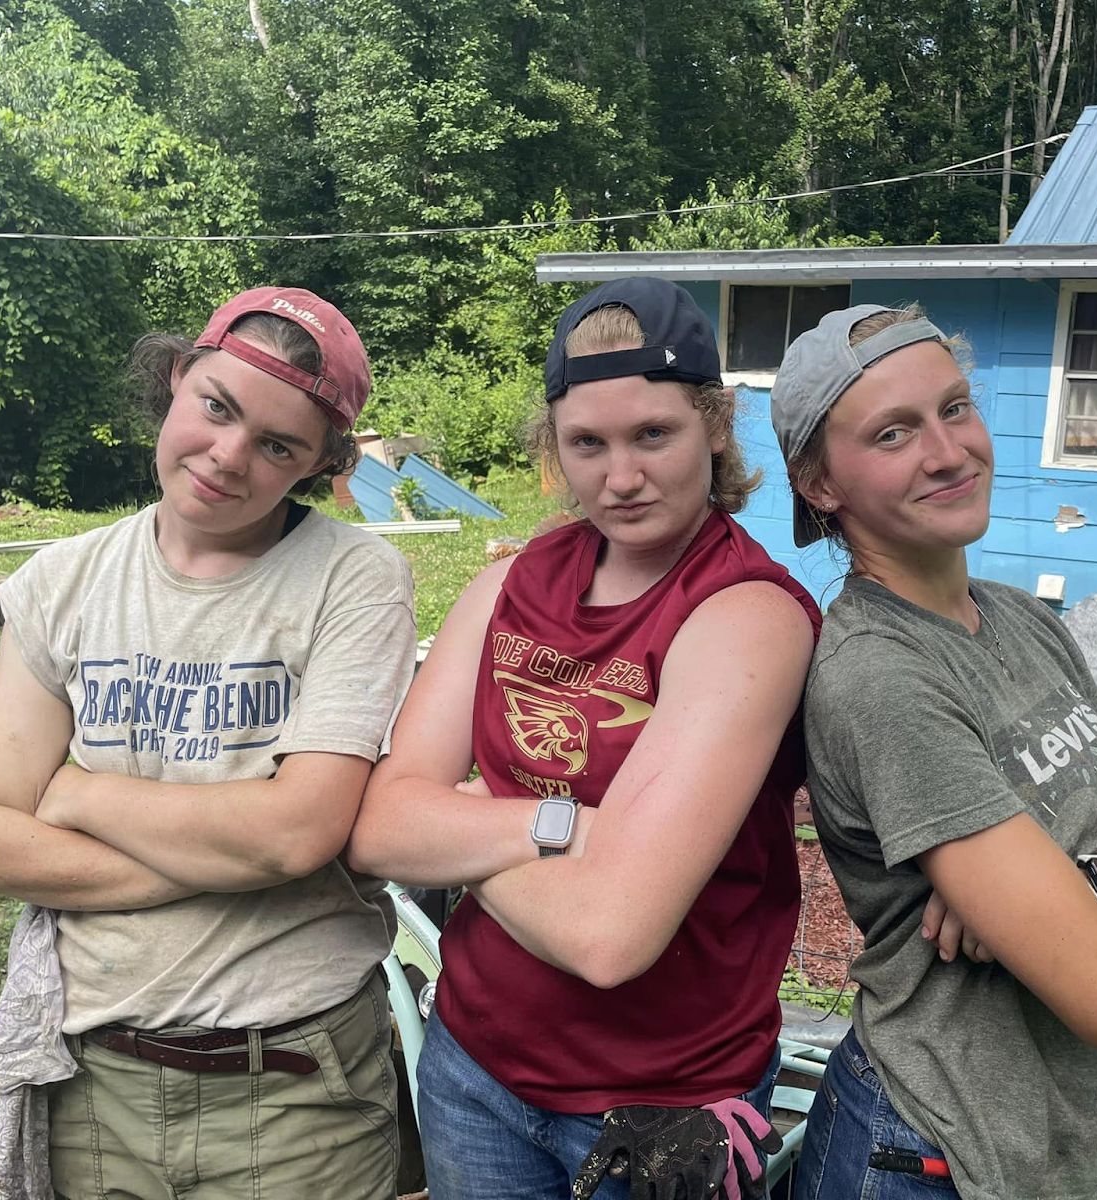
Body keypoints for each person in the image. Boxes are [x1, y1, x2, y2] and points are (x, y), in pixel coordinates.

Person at [347, 278, 821, 1200]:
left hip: (662, 1112)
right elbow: (376, 828)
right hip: (473, 1071)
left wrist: (466, 821)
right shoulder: (513, 583)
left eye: (653, 434)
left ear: (716, 424)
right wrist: (568, 829)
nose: (621, 477)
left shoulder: (745, 615)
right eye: (588, 444)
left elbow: (611, 937)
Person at [0, 287, 416, 1200]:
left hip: (295, 1091)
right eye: (217, 407)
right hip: (93, 1084)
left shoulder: (354, 580)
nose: (228, 457)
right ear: (176, 377)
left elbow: (293, 836)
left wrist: (79, 794)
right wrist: (247, 851)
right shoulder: (63, 581)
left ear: (318, 466)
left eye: (278, 446)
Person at [770, 303, 1097, 1200]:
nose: (948, 452)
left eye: (955, 408)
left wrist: (1066, 874)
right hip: (935, 1157)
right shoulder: (881, 675)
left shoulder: (1020, 619)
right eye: (893, 433)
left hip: (1095, 1150)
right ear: (820, 484)